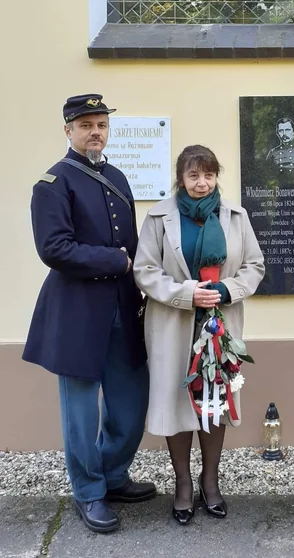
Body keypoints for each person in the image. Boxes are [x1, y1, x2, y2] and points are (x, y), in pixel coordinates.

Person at [23, 94, 155, 534]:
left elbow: (132, 243)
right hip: (77, 313)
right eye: (86, 125)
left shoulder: (116, 176)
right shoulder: (53, 182)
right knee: (80, 414)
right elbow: (54, 248)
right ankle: (89, 492)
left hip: (122, 306)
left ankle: (113, 476)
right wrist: (116, 261)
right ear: (68, 131)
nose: (95, 132)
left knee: (131, 404)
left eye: (101, 125)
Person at [133, 145, 265, 525]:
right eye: (193, 175)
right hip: (172, 325)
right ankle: (182, 484)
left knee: (215, 402)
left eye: (208, 174)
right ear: (180, 178)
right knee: (176, 402)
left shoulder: (236, 217)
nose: (202, 183)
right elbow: (144, 270)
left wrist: (227, 290)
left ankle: (210, 481)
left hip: (220, 324)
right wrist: (186, 294)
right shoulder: (159, 218)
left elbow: (254, 266)